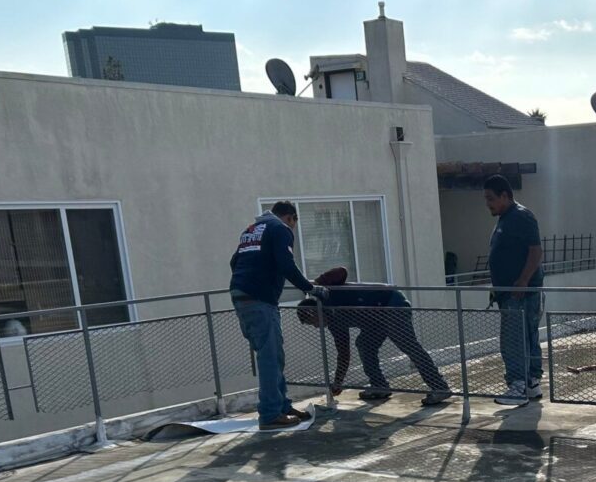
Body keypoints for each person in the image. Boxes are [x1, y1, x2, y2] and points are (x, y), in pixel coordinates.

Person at [296, 267, 453, 407]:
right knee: (364, 344)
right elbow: (343, 354)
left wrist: (315, 283)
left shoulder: (329, 293)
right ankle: (380, 386)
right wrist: (338, 382)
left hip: (390, 303)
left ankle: (440, 387)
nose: (316, 327)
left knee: (407, 344)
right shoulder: (334, 324)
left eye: (313, 322)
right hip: (374, 318)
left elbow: (341, 271)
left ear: (314, 311)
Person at [229, 200, 317, 430]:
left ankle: (282, 406)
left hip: (242, 295)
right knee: (269, 357)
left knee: (273, 354)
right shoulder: (280, 229)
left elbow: (234, 262)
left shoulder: (252, 230)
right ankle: (269, 415)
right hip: (259, 299)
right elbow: (286, 264)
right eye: (294, 224)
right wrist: (310, 288)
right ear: (290, 218)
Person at [482, 174, 544, 407]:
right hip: (510, 292)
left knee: (514, 339)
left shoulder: (521, 216)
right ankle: (530, 384)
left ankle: (518, 386)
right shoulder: (506, 218)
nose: (487, 203)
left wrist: (522, 281)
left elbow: (536, 251)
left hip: (519, 293)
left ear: (505, 196)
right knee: (525, 336)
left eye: (490, 198)